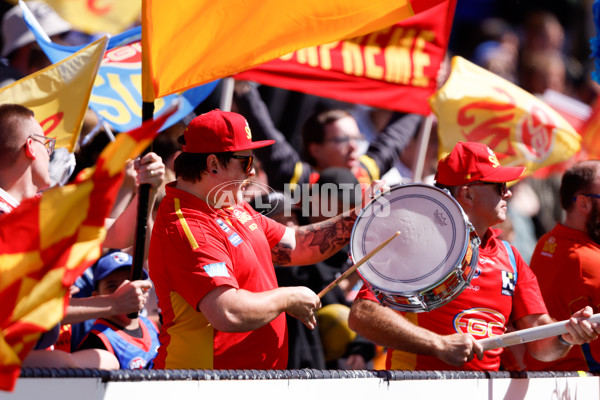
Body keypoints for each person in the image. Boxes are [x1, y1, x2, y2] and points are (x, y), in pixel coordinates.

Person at [148, 109, 383, 369]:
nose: (252, 173)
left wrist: (360, 216)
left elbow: (296, 244)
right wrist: (287, 298)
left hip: (242, 381)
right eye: (246, 163)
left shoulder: (229, 204)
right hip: (204, 384)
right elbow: (227, 311)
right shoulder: (188, 226)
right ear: (213, 164)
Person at [348, 141, 600, 371]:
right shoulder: (415, 244)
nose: (508, 193)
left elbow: (540, 344)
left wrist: (567, 334)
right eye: (500, 186)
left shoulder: (510, 256)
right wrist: (438, 344)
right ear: (467, 194)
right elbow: (362, 314)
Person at [0, 103, 159, 360]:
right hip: (12, 363)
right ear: (30, 147)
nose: (50, 153)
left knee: (94, 363)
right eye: (46, 144)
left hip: (30, 356)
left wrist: (146, 190)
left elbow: (118, 234)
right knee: (66, 363)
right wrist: (112, 304)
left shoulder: (41, 209)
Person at [233, 81, 422, 192]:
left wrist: (421, 92)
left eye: (357, 139)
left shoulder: (366, 173)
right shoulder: (300, 179)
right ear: (316, 150)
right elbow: (266, 134)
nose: (354, 147)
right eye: (342, 140)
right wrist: (243, 89)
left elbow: (395, 136)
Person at [525, 160, 600, 371]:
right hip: (580, 382)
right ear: (584, 203)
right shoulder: (588, 260)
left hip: (550, 377)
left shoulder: (547, 241)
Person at [77, 251, 160, 369]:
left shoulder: (150, 325)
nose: (124, 290)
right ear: (96, 296)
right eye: (112, 286)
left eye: (130, 282)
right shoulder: (97, 340)